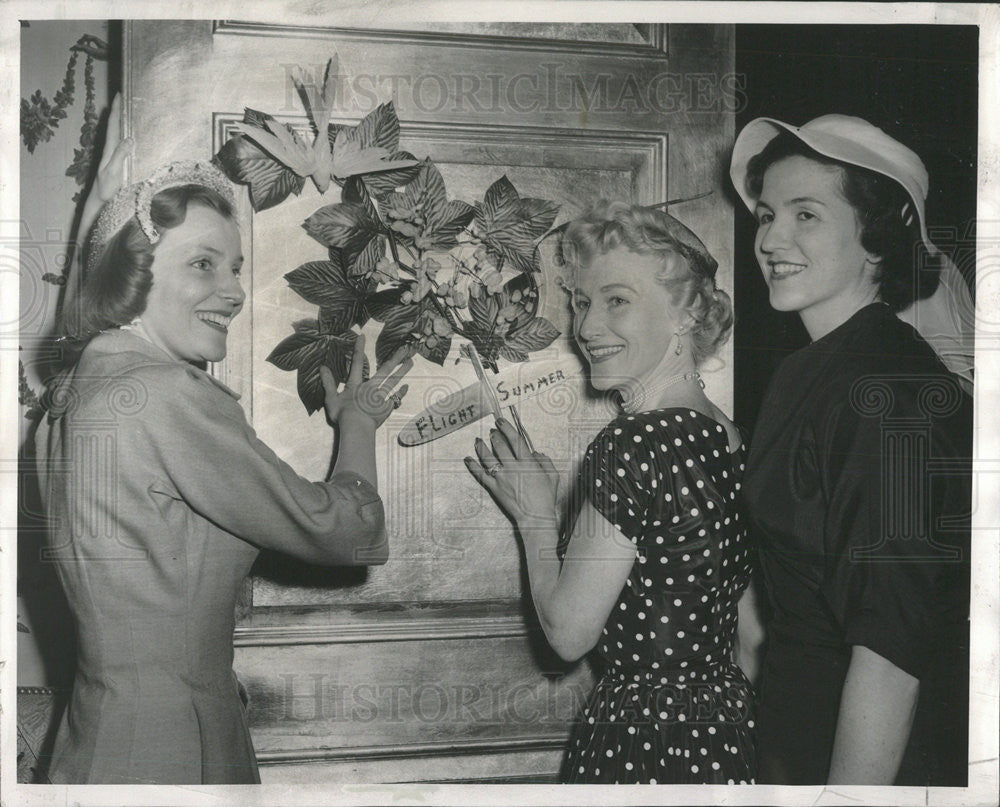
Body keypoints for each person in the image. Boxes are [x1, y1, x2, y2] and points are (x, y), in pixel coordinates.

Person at [34, 105, 413, 784]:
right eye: (203, 264)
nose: (235, 291)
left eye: (234, 267)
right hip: (174, 750)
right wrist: (357, 422)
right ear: (134, 272)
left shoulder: (65, 402)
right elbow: (349, 531)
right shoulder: (166, 395)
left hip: (88, 741)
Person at [466, 201, 762, 784]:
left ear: (685, 312)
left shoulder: (633, 442)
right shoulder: (729, 435)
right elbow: (749, 638)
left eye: (616, 300)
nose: (587, 327)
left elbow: (569, 634)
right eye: (582, 302)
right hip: (729, 728)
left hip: (642, 737)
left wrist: (534, 517)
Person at [729, 114, 973, 785]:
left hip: (866, 756)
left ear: (877, 237)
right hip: (795, 729)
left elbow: (891, 648)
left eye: (806, 215)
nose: (771, 239)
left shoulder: (889, 389)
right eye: (767, 214)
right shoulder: (806, 371)